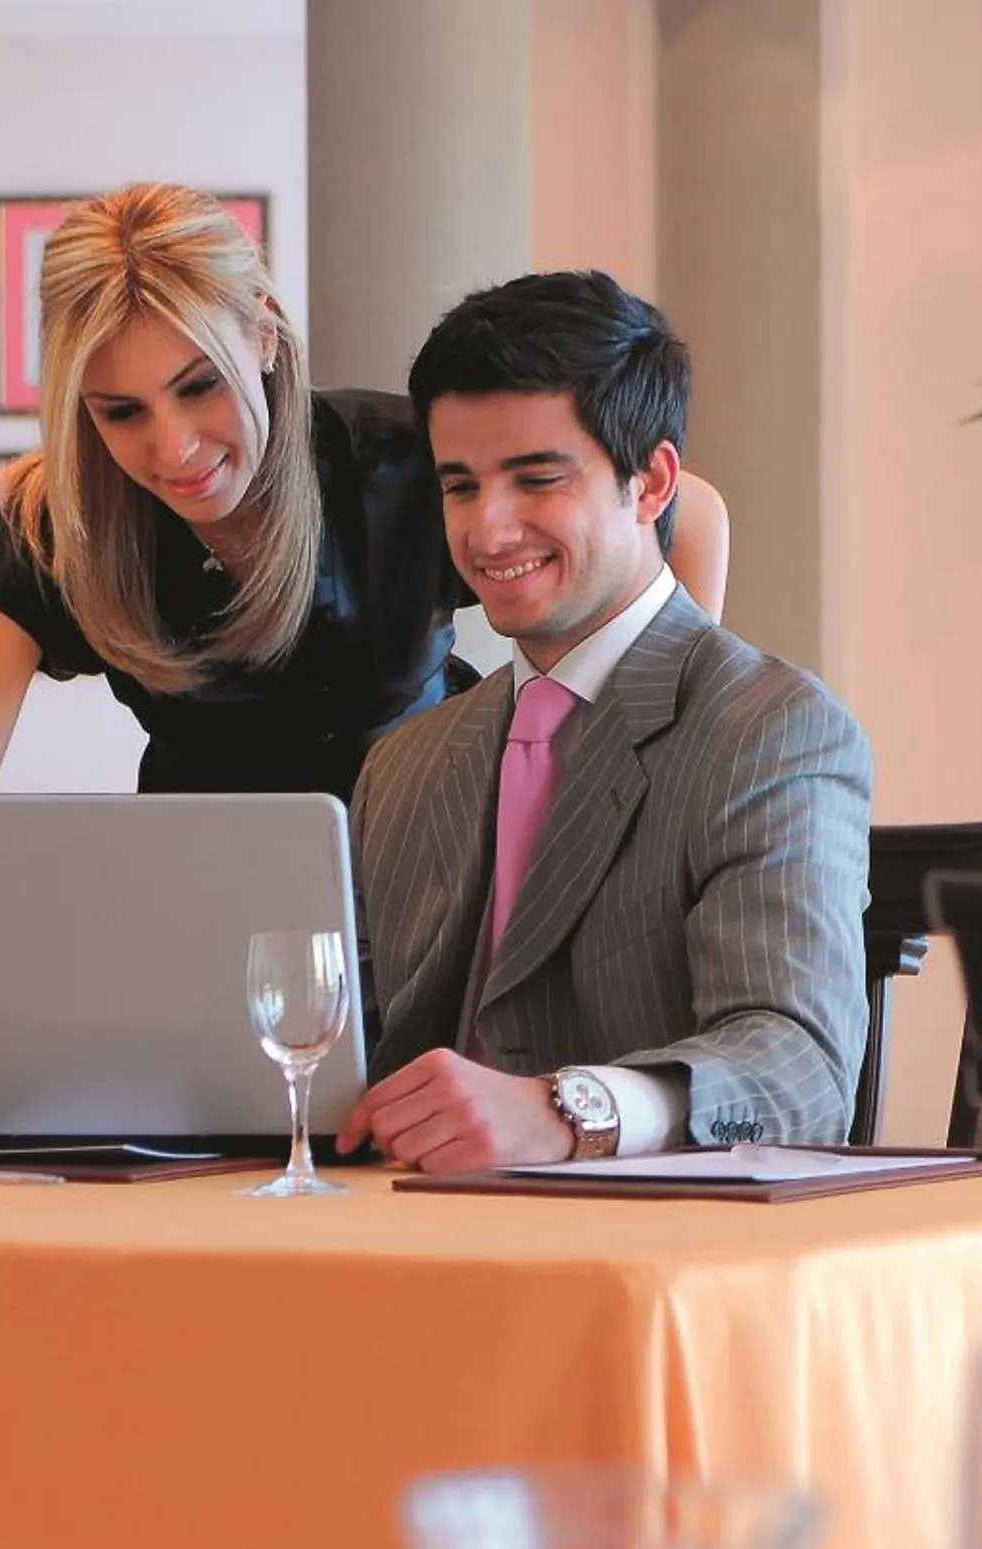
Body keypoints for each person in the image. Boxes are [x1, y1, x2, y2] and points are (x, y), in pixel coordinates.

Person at [0, 184, 732, 800]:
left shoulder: (395, 462)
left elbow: (687, 509)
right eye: (122, 413)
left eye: (200, 387)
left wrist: (643, 771)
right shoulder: (64, 519)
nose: (175, 448)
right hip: (211, 899)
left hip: (438, 881)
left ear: (264, 333)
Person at [338, 271, 871, 1173]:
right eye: (459, 486)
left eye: (536, 479)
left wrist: (569, 1109)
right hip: (395, 1247)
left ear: (652, 481)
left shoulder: (770, 729)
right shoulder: (405, 763)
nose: (488, 530)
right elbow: (338, 1053)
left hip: (641, 1263)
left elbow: (801, 1067)